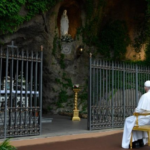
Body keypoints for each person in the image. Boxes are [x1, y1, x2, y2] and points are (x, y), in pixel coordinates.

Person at [122, 80, 150, 149]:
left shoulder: (145, 96)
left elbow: (140, 110)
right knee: (133, 122)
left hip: (143, 119)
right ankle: (140, 141)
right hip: (148, 119)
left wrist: (136, 109)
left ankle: (129, 143)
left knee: (128, 120)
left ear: (146, 88)